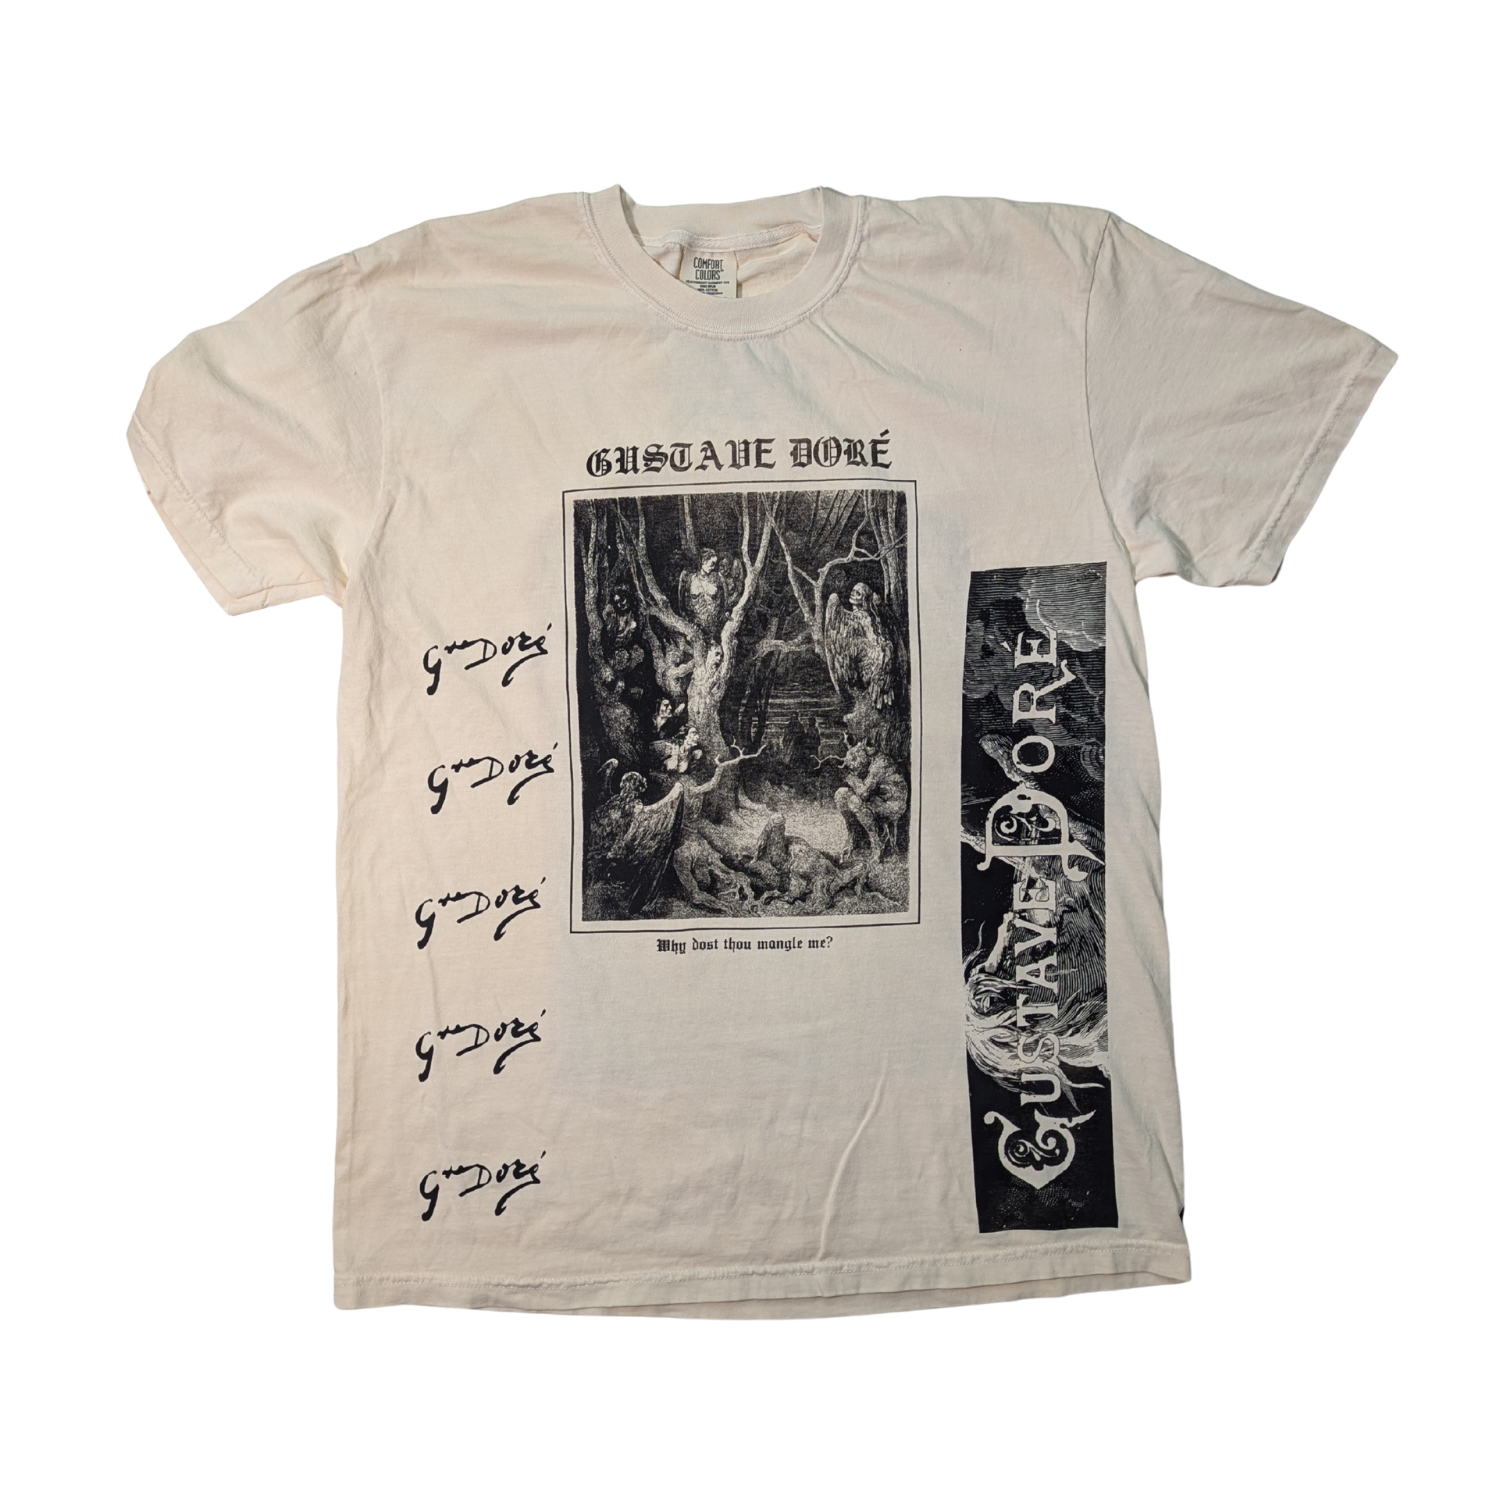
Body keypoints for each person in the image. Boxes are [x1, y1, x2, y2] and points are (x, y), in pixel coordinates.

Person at [834, 741, 908, 861]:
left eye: (854, 766)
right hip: (879, 799)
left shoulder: (880, 764)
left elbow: (863, 793)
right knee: (841, 794)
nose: (855, 769)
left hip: (892, 804)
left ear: (860, 757)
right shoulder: (871, 762)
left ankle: (876, 844)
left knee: (854, 802)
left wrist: (850, 777)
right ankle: (853, 835)